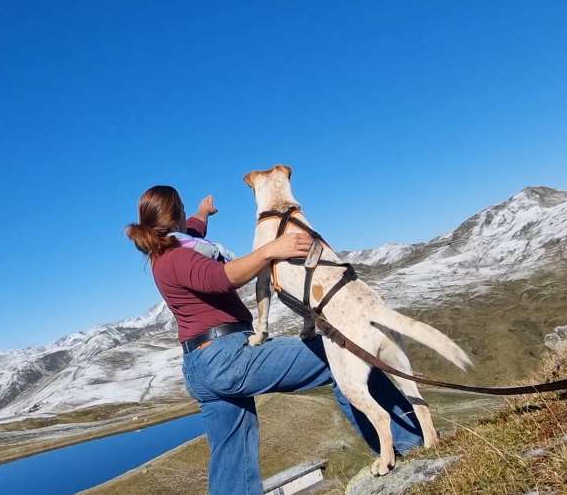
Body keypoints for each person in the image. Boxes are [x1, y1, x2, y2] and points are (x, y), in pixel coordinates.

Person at [126, 185, 424, 495]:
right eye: (185, 210)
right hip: (226, 357)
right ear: (175, 217)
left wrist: (203, 213)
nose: (190, 218)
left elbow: (194, 231)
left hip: (203, 364)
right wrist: (272, 249)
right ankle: (411, 444)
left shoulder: (171, 247)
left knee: (232, 453)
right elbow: (224, 277)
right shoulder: (175, 258)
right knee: (340, 355)